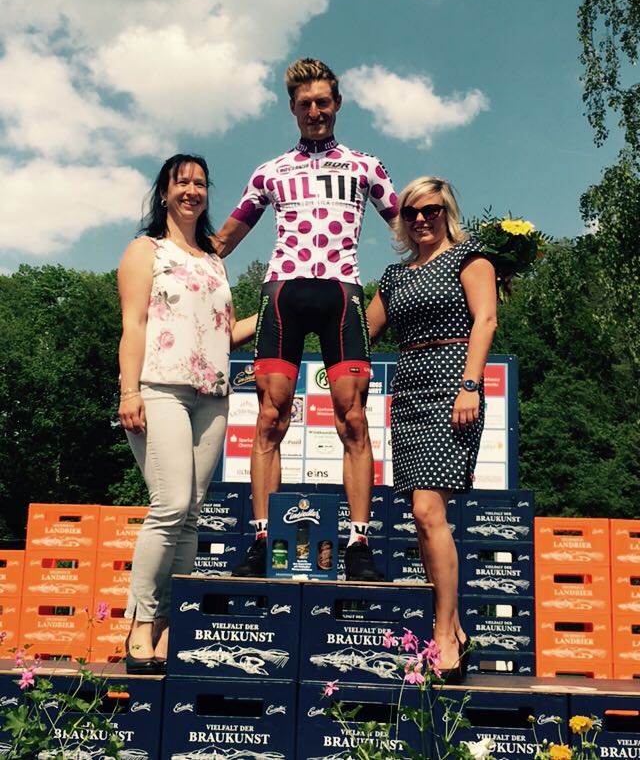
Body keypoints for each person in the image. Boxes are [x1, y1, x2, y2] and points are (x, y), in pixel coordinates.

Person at [214, 58, 398, 581]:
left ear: (337, 104)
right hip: (283, 294)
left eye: (322, 102)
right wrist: (169, 261)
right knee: (269, 419)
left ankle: (358, 544)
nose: (314, 111)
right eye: (304, 104)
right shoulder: (269, 171)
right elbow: (223, 240)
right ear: (292, 109)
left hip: (342, 292)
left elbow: (411, 226)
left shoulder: (367, 166)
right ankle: (261, 539)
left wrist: (469, 261)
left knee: (354, 420)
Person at [117, 153, 256, 674]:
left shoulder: (214, 259)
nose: (192, 190)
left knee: (192, 513)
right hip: (160, 388)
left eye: (200, 182)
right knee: (170, 505)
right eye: (182, 182)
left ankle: (170, 624)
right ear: (164, 192)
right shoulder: (145, 250)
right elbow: (133, 324)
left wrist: (280, 307)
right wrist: (129, 391)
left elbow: (227, 331)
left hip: (212, 395)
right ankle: (141, 621)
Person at [366, 176, 497, 679]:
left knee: (427, 509)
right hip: (408, 391)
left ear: (447, 213)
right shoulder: (394, 276)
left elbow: (485, 321)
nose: (421, 219)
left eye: (432, 210)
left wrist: (470, 384)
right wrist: (290, 313)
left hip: (453, 385)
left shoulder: (470, 258)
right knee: (423, 520)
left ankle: (442, 636)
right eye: (411, 212)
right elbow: (360, 332)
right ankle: (456, 631)